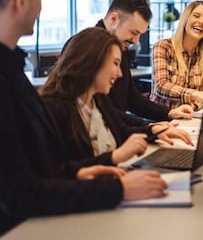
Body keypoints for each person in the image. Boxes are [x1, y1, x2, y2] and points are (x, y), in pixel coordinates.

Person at [0, 0, 167, 235]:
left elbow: (38, 167)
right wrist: (117, 188)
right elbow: (18, 194)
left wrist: (77, 173)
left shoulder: (12, 69)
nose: (41, 7)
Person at [40, 27, 191, 165]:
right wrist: (115, 157)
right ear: (92, 61)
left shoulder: (98, 99)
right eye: (115, 63)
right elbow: (59, 171)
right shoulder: (53, 109)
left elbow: (121, 132)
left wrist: (153, 131)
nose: (120, 73)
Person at [95, 0, 194, 124]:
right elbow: (104, 112)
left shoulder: (119, 44)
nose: (136, 41)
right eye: (133, 32)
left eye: (140, 34)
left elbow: (131, 97)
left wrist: (168, 112)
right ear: (113, 19)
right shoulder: (88, 48)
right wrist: (149, 128)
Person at [150, 0, 203, 110]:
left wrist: (191, 107)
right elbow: (161, 86)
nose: (201, 21)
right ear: (185, 19)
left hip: (191, 116)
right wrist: (194, 94)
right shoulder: (163, 46)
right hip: (161, 119)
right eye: (196, 16)